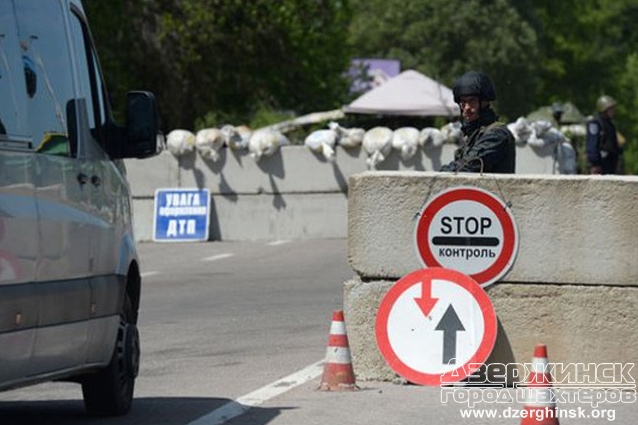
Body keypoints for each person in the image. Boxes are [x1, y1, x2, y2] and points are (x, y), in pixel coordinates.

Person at [439, 71, 515, 173]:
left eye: (472, 101)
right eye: (463, 102)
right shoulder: (474, 135)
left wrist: (441, 174)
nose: (467, 108)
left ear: (485, 102)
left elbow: (468, 166)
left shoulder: (496, 134)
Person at [586, 95, 620, 174]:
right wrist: (595, 163)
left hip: (610, 164)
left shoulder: (609, 124)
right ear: (605, 109)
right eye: (611, 109)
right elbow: (592, 145)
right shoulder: (596, 123)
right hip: (600, 164)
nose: (614, 111)